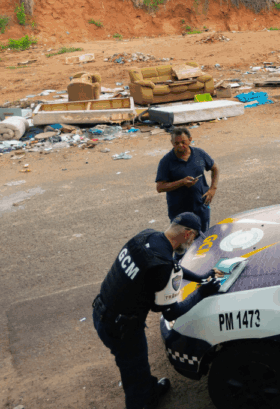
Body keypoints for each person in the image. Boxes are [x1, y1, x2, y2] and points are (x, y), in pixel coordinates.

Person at [92, 212, 221, 409]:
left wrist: (202, 278)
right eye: (194, 237)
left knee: (138, 367)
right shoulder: (162, 264)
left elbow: (172, 268)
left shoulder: (147, 237)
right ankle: (142, 403)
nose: (193, 241)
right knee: (133, 372)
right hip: (122, 328)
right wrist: (202, 292)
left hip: (102, 311)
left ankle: (150, 390)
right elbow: (171, 312)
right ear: (187, 234)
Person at [156, 128, 219, 233]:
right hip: (179, 212)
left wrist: (213, 189)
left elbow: (215, 168)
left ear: (190, 140)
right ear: (171, 143)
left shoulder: (199, 154)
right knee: (182, 245)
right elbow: (160, 187)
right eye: (176, 143)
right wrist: (181, 182)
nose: (180, 145)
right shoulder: (166, 161)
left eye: (183, 142)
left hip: (201, 207)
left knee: (202, 241)